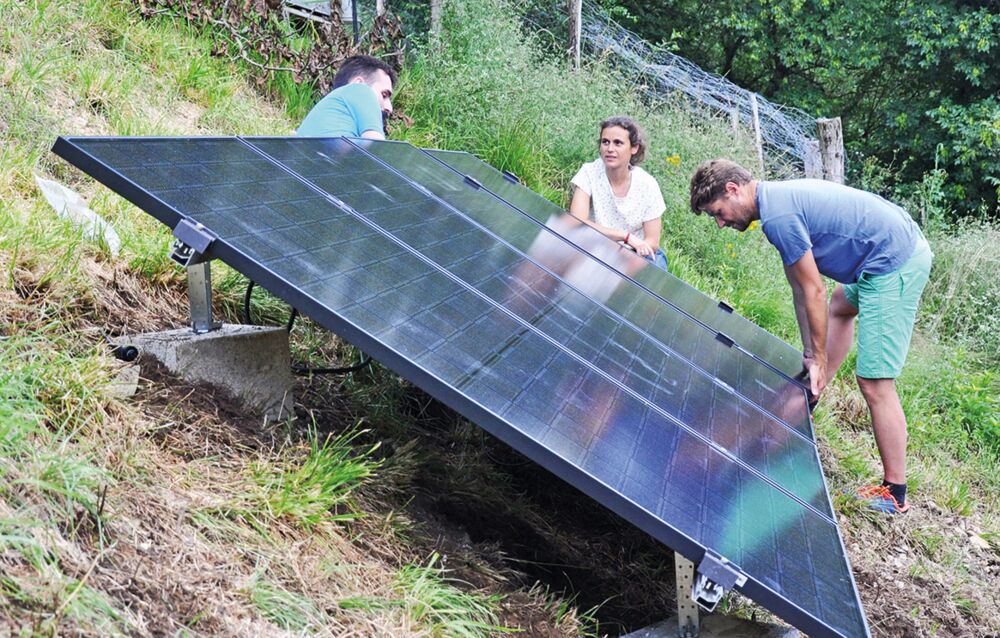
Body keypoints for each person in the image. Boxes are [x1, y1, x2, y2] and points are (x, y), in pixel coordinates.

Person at [689, 159, 933, 515]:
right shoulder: (775, 205)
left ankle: (894, 492)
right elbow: (800, 288)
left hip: (893, 261)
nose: (721, 222)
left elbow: (814, 289)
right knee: (840, 306)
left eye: (719, 212)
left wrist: (818, 356)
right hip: (882, 247)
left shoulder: (778, 217)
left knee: (875, 381)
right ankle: (813, 392)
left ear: (733, 189)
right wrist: (809, 354)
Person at [569, 116, 669, 272]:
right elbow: (577, 221)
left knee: (656, 266)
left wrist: (628, 253)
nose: (610, 149)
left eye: (618, 143)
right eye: (605, 142)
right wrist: (624, 236)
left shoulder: (648, 185)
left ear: (634, 148)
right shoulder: (589, 172)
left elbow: (652, 242)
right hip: (596, 241)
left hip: (635, 252)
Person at [296, 55, 395, 139]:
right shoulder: (360, 90)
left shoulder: (324, 112)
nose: (389, 108)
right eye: (384, 95)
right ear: (358, 83)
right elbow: (377, 149)